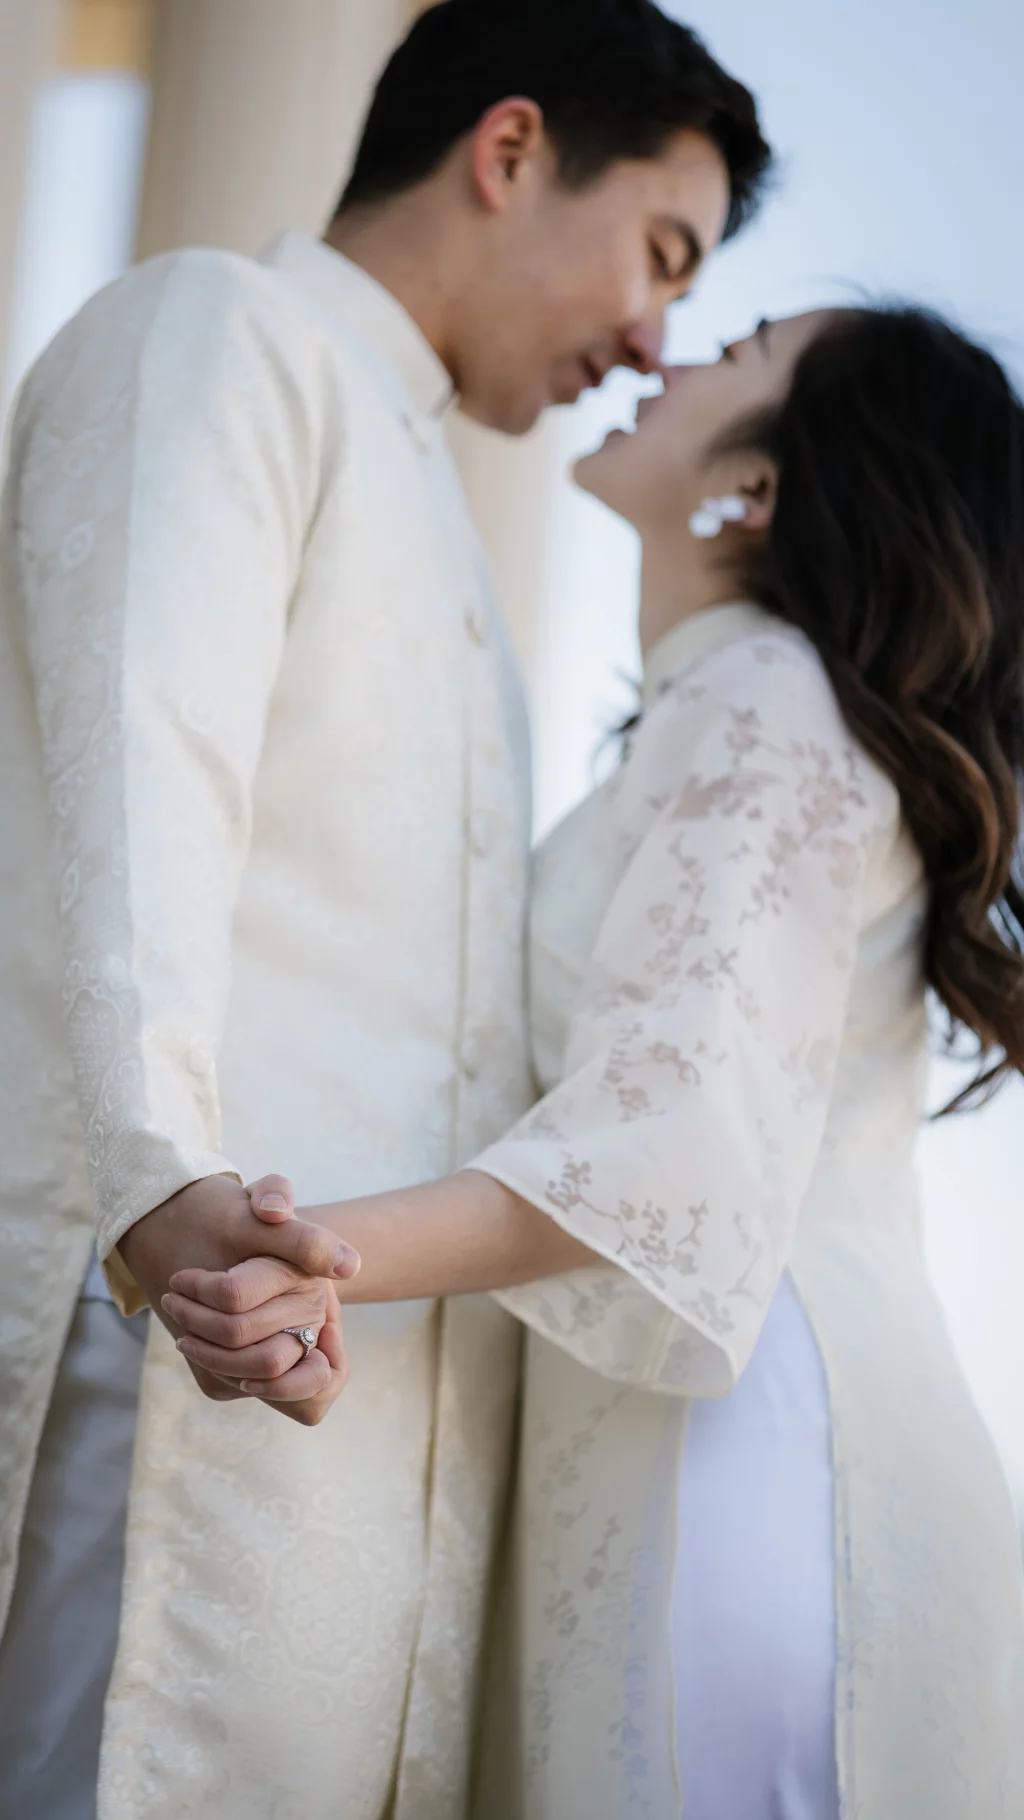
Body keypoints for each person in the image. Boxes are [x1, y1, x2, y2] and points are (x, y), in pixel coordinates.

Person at [0, 4, 772, 1817]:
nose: (658, 335)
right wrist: (155, 1187)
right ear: (509, 151)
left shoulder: (466, 555)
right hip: (181, 1376)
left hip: (369, 1459)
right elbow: (144, 771)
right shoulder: (226, 331)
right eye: (661, 248)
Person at [172, 304, 1024, 1819]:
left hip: (750, 1464)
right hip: (685, 1444)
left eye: (742, 345)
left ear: (759, 489)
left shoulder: (763, 702)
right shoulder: (726, 711)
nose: (668, 351)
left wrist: (321, 1254)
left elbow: (666, 1140)